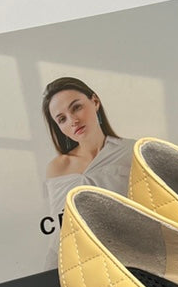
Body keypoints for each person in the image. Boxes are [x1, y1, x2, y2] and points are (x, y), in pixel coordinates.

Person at [41, 77, 135, 231]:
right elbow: (58, 230)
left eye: (76, 107)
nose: (73, 120)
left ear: (95, 102)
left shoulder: (132, 151)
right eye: (62, 119)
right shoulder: (58, 168)